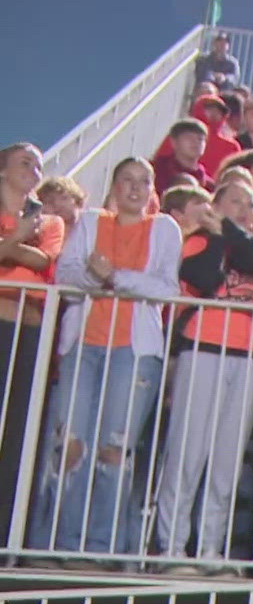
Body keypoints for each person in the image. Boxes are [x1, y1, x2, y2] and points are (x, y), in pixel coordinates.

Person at [25, 158, 179, 560]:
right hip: (84, 347)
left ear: (151, 191)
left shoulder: (164, 228)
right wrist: (98, 277)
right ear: (113, 187)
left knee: (114, 451)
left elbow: (165, 288)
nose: (134, 187)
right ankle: (59, 544)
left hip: (135, 354)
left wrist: (112, 277)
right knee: (70, 446)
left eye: (143, 181)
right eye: (126, 179)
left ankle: (101, 547)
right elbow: (68, 278)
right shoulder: (92, 221)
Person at [152, 177, 253, 566]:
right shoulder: (198, 242)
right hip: (203, 348)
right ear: (215, 204)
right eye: (235, 201)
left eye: (250, 204)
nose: (244, 209)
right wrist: (220, 235)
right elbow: (205, 278)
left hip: (250, 357)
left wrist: (226, 230)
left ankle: (211, 546)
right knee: (187, 451)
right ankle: (172, 544)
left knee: (227, 458)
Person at [0, 143, 64, 539]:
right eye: (25, 161)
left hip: (31, 333)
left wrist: (10, 246)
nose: (34, 169)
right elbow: (30, 257)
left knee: (18, 433)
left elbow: (44, 262)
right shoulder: (31, 226)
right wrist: (19, 242)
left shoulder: (49, 222)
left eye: (39, 165)